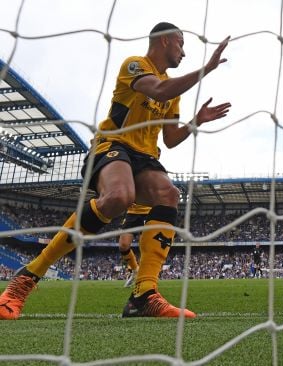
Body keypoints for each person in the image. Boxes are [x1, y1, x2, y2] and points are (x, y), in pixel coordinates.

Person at [0, 22, 232, 320]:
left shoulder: (174, 93)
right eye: (180, 44)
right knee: (120, 196)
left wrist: (196, 121)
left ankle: (144, 295)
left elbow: (171, 139)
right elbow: (158, 90)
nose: (184, 53)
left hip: (144, 157)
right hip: (112, 145)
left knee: (169, 194)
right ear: (163, 42)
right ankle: (26, 278)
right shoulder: (135, 65)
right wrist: (206, 69)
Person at [118, 203, 151, 287]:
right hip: (132, 213)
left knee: (145, 246)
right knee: (123, 245)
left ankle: (146, 277)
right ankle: (135, 270)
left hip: (149, 212)